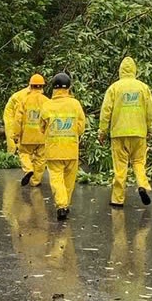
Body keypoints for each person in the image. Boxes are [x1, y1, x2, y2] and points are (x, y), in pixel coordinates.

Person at [98, 57, 152, 207]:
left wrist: (102, 131)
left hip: (119, 133)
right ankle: (142, 185)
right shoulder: (143, 88)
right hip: (139, 133)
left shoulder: (114, 88)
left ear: (120, 70)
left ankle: (117, 199)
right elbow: (150, 111)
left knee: (120, 166)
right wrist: (149, 129)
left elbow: (106, 111)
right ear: (135, 70)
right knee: (138, 162)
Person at [40, 73, 85, 220]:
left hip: (53, 150)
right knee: (69, 181)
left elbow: (41, 127)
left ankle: (62, 205)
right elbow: (80, 127)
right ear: (69, 88)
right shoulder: (75, 104)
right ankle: (66, 204)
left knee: (56, 179)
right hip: (71, 149)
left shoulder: (47, 106)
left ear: (53, 88)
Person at [13, 74, 49, 186]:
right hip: (43, 137)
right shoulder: (47, 101)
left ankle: (28, 169)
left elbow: (18, 119)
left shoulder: (24, 101)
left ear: (30, 86)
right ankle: (35, 181)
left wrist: (16, 135)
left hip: (27, 135)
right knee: (40, 159)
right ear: (42, 87)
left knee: (24, 153)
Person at [3, 82, 31, 155]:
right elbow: (18, 115)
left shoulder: (33, 94)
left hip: (20, 113)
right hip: (11, 114)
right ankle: (12, 154)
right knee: (12, 134)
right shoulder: (23, 95)